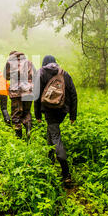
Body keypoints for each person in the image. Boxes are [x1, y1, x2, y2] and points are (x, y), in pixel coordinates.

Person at [34, 55, 77, 184]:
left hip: (49, 109)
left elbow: (36, 94)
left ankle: (66, 173)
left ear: (44, 63)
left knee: (55, 136)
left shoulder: (41, 73)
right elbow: (73, 94)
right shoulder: (64, 73)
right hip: (63, 110)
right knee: (52, 130)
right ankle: (50, 159)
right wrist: (72, 115)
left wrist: (37, 115)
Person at [4, 51, 36, 139]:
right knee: (27, 112)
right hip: (28, 91)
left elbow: (6, 76)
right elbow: (35, 76)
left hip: (16, 92)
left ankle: (19, 137)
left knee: (16, 113)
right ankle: (28, 130)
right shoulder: (29, 62)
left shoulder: (10, 62)